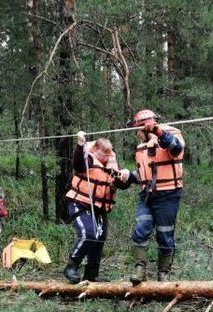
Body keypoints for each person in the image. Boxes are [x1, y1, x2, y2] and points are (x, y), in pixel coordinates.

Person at [122, 109, 185, 283]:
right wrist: (126, 176)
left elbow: (175, 148)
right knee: (140, 230)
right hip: (147, 196)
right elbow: (143, 174)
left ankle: (163, 274)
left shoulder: (171, 134)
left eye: (138, 130)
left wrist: (157, 131)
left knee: (165, 234)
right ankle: (140, 270)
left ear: (146, 127)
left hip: (168, 194)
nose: (136, 134)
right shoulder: (141, 147)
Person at [62, 131, 122, 283]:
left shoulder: (111, 163)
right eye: (103, 153)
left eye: (108, 154)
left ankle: (92, 274)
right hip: (80, 203)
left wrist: (125, 178)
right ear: (95, 150)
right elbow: (78, 164)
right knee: (89, 234)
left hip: (99, 208)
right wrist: (80, 144)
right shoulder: (87, 157)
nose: (106, 157)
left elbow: (120, 183)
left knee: (100, 239)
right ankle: (71, 266)